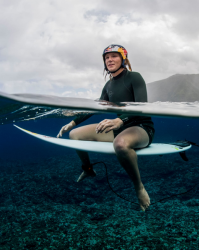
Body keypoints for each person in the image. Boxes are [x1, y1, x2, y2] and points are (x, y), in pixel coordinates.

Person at [57, 44, 155, 211]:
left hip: (141, 127)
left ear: (123, 58)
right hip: (120, 128)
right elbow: (97, 107)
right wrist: (73, 123)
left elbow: (141, 106)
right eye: (106, 57)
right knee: (75, 135)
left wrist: (121, 121)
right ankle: (88, 169)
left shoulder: (134, 77)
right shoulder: (108, 86)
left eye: (114, 56)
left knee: (120, 144)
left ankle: (139, 188)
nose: (110, 59)